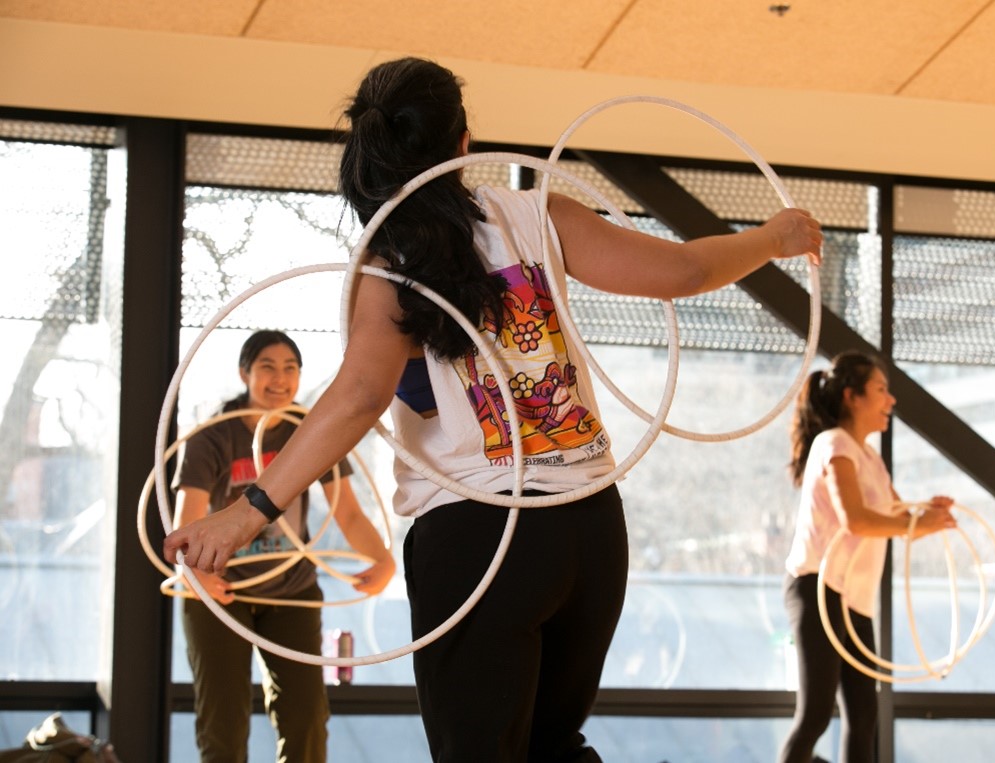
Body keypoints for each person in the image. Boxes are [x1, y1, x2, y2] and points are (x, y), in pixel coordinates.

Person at [164, 56, 823, 763]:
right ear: (465, 144)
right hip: (589, 530)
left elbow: (359, 395)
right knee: (552, 746)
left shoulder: (390, 262)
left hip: (479, 533)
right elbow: (684, 270)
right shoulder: (537, 215)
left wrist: (248, 508)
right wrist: (777, 238)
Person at [172, 329, 394, 763]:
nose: (280, 379)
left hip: (290, 590)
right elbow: (189, 517)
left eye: (290, 369)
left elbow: (346, 512)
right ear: (244, 373)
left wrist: (383, 559)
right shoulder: (213, 437)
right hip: (222, 591)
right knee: (223, 726)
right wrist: (198, 575)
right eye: (267, 368)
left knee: (307, 719)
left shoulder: (310, 432)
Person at [779, 351, 957, 763]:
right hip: (817, 587)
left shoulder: (871, 459)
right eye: (881, 390)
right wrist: (918, 523)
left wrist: (929, 515)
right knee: (816, 716)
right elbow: (857, 520)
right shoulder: (834, 444)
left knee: (863, 716)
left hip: (853, 598)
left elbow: (898, 518)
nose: (890, 401)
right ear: (852, 397)